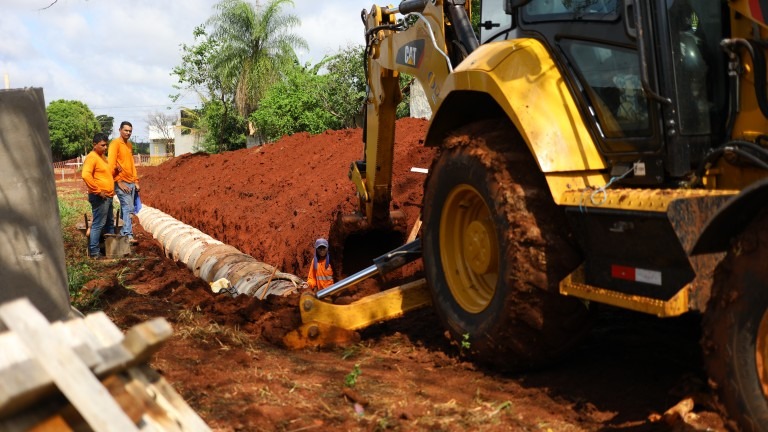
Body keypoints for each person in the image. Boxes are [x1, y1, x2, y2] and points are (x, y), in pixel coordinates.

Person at [82, 133, 115, 258]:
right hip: (100, 197)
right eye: (102, 145)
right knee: (98, 224)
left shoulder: (102, 157)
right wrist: (98, 191)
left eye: (106, 145)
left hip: (108, 196)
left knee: (109, 223)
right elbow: (85, 175)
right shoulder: (92, 157)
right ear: (94, 145)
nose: (105, 147)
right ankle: (95, 253)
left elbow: (105, 173)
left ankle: (111, 250)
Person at [108, 121, 140, 244]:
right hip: (122, 183)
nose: (128, 133)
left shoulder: (129, 145)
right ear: (120, 130)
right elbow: (111, 164)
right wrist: (118, 181)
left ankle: (122, 233)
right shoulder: (115, 144)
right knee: (128, 207)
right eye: (126, 130)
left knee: (125, 209)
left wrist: (136, 181)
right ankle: (128, 235)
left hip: (130, 181)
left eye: (130, 131)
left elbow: (131, 164)